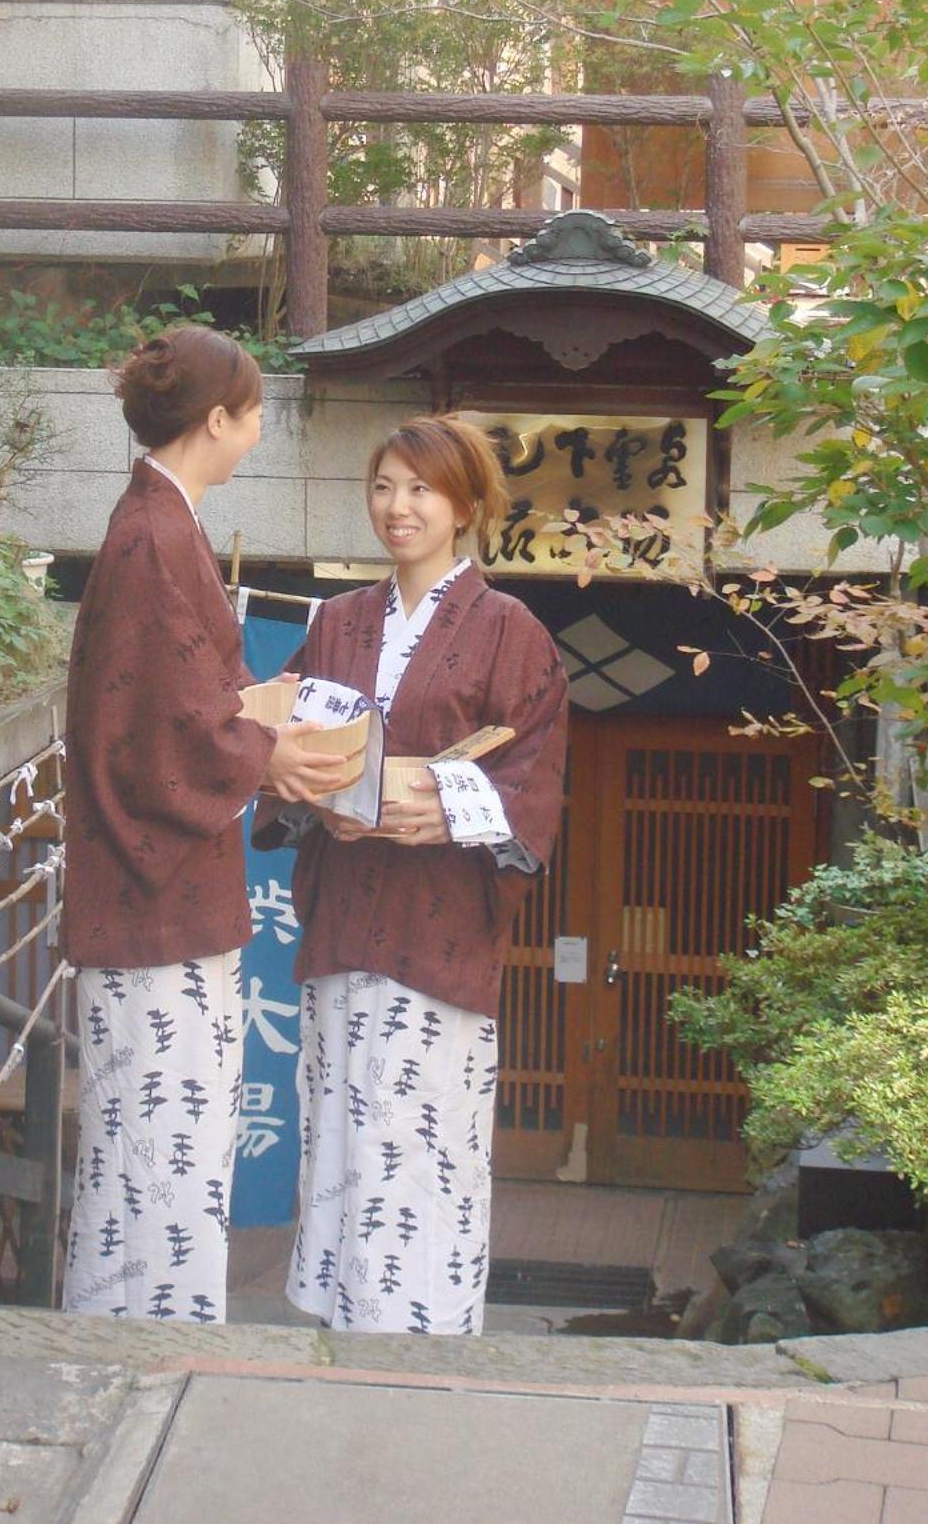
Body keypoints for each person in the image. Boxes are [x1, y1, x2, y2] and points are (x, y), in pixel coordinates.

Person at [61, 324, 348, 1323]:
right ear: (216, 420)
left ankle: (147, 1336)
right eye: (255, 409)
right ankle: (139, 1349)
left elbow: (185, 701)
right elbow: (157, 735)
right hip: (154, 906)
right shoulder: (152, 537)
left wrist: (262, 713)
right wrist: (265, 749)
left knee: (164, 1148)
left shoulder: (160, 524)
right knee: (157, 1147)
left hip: (166, 895)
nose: (262, 426)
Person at [257, 414, 568, 1336]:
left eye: (422, 489)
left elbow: (533, 781)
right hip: (345, 913)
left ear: (467, 505)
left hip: (436, 931)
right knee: (342, 1127)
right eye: (385, 486)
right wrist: (306, 785)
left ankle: (417, 1338)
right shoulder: (340, 621)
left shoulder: (513, 633)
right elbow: (281, 734)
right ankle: (339, 1329)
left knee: (420, 1138)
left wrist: (442, 808)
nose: (399, 507)